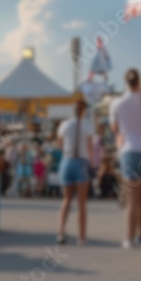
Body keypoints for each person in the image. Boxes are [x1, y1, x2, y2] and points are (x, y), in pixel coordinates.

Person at [109, 68, 141, 248]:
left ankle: (129, 238)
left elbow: (114, 128)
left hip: (127, 151)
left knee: (131, 201)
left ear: (125, 81)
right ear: (139, 81)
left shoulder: (117, 103)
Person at [55, 100, 94, 245]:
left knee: (66, 200)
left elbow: (59, 144)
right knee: (81, 203)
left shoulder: (64, 125)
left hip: (67, 161)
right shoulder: (87, 125)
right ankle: (82, 237)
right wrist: (92, 163)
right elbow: (90, 147)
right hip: (82, 162)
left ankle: (60, 233)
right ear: (84, 110)